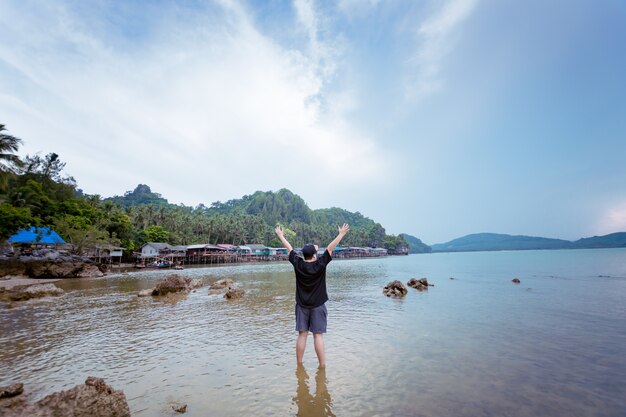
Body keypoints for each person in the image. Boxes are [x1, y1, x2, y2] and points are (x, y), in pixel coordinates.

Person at [275, 223, 350, 368]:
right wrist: (341, 234)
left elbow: (289, 249)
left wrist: (281, 236)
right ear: (315, 255)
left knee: (302, 335)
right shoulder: (320, 264)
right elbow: (330, 247)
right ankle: (322, 366)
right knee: (318, 335)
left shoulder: (298, 264)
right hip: (318, 305)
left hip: (302, 305)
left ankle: (299, 364)